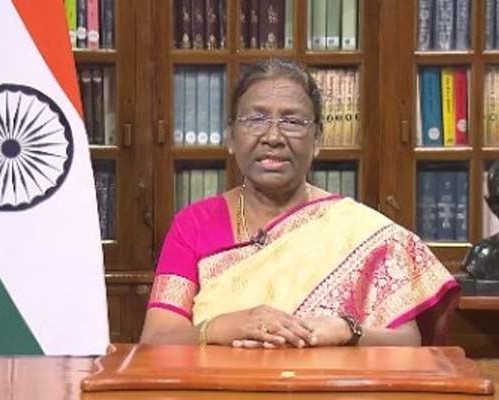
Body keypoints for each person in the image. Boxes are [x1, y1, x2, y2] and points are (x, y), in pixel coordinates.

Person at [141, 59, 459, 348]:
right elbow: (157, 339)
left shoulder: (360, 231)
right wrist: (228, 326)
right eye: (256, 119)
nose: (273, 137)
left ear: (317, 139)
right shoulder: (194, 225)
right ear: (231, 137)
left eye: (292, 122)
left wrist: (348, 331)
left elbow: (406, 343)